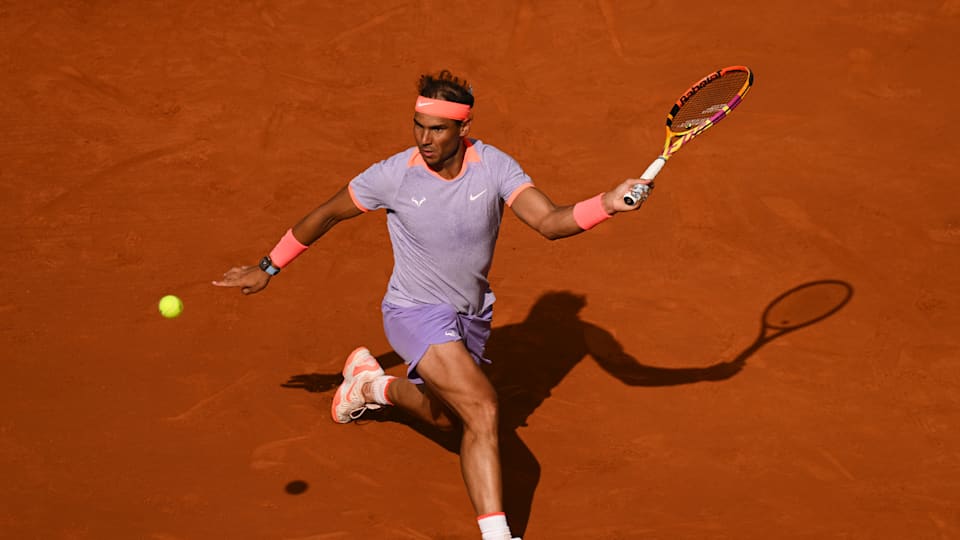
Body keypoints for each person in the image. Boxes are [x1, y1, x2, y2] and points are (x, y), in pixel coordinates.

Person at [213, 70, 653, 540]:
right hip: (413, 311)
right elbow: (326, 214)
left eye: (437, 129)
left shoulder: (494, 166)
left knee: (447, 418)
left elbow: (548, 222)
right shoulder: (393, 176)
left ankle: (371, 387)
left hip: (470, 316)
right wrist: (268, 266)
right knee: (482, 408)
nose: (424, 139)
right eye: (418, 125)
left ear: (463, 128)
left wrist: (607, 203)